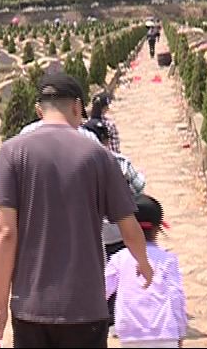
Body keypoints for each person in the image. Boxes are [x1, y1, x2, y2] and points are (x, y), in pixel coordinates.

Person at [0, 72, 154, 349]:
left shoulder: (11, 153)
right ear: (76, 106)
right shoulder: (98, 155)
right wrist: (144, 263)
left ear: (39, 110)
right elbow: (128, 224)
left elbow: (4, 232)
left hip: (30, 308)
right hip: (85, 307)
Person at [81, 118, 146, 332]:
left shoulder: (79, 167)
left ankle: (106, 315)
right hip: (121, 229)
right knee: (125, 273)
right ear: (107, 141)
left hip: (94, 233)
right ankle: (122, 313)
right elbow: (139, 188)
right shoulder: (121, 162)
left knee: (104, 274)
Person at [105, 194, 187, 349]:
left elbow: (102, 292)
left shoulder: (118, 260)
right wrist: (181, 331)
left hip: (130, 335)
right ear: (157, 229)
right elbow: (176, 296)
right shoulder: (168, 260)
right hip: (165, 335)